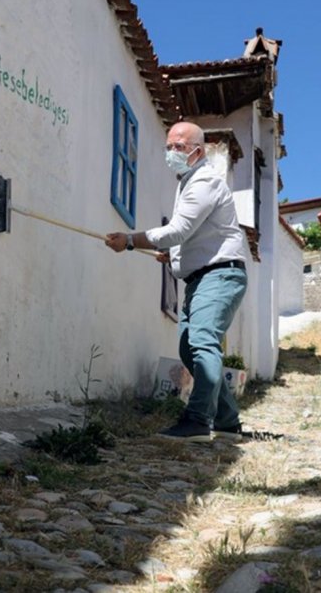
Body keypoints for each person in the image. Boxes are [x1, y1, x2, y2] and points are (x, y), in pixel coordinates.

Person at [105, 121, 248, 442]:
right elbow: (199, 236)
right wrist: (175, 257)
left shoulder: (204, 182)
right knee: (188, 348)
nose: (172, 152)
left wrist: (131, 240)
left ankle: (197, 420)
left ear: (198, 151)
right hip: (203, 278)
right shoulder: (188, 182)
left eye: (179, 146)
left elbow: (179, 230)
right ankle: (227, 421)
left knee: (202, 344)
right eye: (168, 146)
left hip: (219, 275)